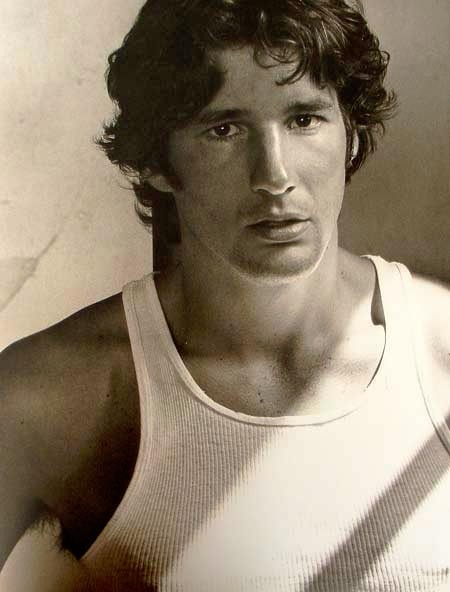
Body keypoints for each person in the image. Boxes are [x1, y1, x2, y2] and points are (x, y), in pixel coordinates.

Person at [1, 0, 450, 590]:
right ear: (157, 162)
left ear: (350, 135)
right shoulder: (51, 393)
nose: (275, 175)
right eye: (225, 129)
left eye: (304, 119)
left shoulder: (440, 350)